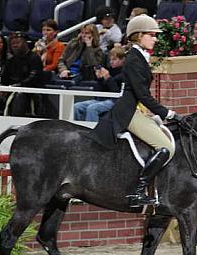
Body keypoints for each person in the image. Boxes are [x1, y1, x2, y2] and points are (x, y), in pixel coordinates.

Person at [93, 15, 182, 208]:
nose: (155, 38)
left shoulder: (140, 56)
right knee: (165, 147)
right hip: (128, 111)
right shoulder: (134, 59)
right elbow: (143, 95)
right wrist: (168, 113)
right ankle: (138, 191)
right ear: (138, 35)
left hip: (136, 109)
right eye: (151, 35)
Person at [74, 47, 125, 122]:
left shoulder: (124, 73)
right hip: (102, 99)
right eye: (110, 59)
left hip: (115, 101)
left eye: (114, 59)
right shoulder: (109, 70)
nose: (111, 62)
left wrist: (108, 78)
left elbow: (116, 92)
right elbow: (101, 91)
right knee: (76, 106)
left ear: (122, 60)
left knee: (92, 108)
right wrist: (99, 78)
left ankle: (92, 132)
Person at [0, 32, 43, 116]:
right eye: (12, 44)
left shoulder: (34, 58)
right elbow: (4, 79)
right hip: (12, 90)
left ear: (25, 43)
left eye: (17, 43)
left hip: (30, 93)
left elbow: (33, 79)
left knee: (20, 96)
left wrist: (18, 85)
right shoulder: (10, 60)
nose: (14, 45)